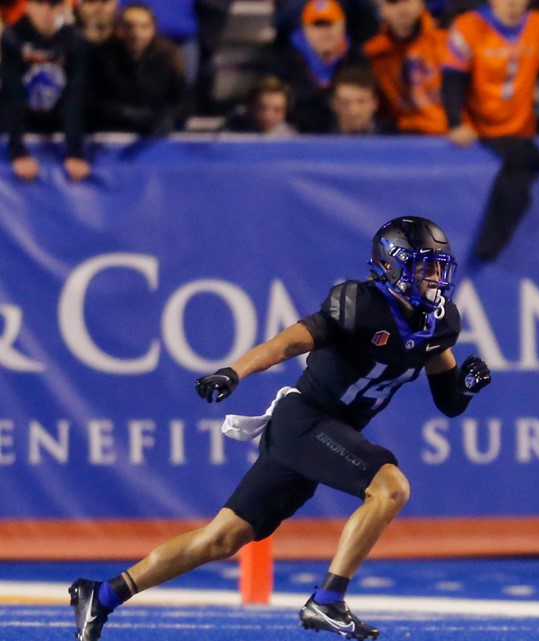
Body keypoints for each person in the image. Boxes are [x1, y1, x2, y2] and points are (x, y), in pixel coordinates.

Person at [68, 217, 493, 641]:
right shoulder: (359, 304)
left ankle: (101, 595)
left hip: (321, 433)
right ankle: (327, 600)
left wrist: (467, 388)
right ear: (395, 267)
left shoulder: (439, 323)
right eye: (424, 267)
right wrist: (234, 372)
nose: (435, 278)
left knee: (221, 538)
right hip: (306, 421)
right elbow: (289, 342)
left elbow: (448, 401)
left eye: (438, 267)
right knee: (390, 488)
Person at [442, 0, 539, 262]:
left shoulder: (538, 25)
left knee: (523, 168)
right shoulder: (468, 27)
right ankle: (488, 246)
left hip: (521, 130)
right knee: (533, 164)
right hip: (481, 129)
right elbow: (452, 79)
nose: (511, 3)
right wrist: (456, 123)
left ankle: (488, 247)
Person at [0, 0, 91, 182]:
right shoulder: (13, 37)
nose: (48, 12)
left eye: (54, 4)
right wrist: (17, 151)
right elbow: (12, 95)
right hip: (22, 119)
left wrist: (75, 152)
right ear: (28, 7)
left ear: (63, 7)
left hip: (56, 121)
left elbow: (74, 96)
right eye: (41, 3)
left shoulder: (74, 39)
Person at [87, 3, 191, 136]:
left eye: (144, 27)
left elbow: (184, 102)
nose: (136, 33)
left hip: (153, 139)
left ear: (153, 29)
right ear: (118, 28)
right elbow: (90, 101)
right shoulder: (99, 57)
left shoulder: (166, 58)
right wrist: (123, 113)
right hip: (109, 134)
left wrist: (167, 117)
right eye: (129, 26)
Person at [267, 0, 368, 133]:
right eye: (317, 25)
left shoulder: (358, 61)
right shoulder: (284, 64)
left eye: (330, 24)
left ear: (342, 26)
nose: (325, 32)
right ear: (305, 30)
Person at [363, 0, 450, 135]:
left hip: (451, 137)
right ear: (381, 9)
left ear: (421, 4)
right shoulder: (374, 54)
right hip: (402, 139)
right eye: (394, 2)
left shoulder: (448, 43)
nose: (403, 8)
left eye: (408, 1)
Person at [223, 75, 298, 136]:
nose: (268, 115)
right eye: (262, 108)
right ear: (250, 107)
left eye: (277, 110)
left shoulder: (290, 138)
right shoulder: (229, 135)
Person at [328, 65, 382, 135]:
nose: (354, 110)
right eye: (345, 103)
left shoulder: (393, 138)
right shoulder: (318, 138)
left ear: (374, 103)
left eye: (361, 102)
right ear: (334, 104)